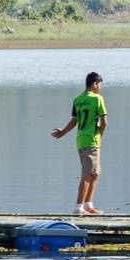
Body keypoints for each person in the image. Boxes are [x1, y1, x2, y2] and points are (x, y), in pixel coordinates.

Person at [51, 71, 108, 216]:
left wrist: (62, 132)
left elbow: (74, 121)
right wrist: (100, 135)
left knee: (95, 173)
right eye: (100, 84)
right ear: (95, 84)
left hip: (81, 140)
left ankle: (89, 204)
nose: (100, 87)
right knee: (87, 175)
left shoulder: (77, 99)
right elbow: (104, 122)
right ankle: (79, 207)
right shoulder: (98, 99)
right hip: (92, 140)